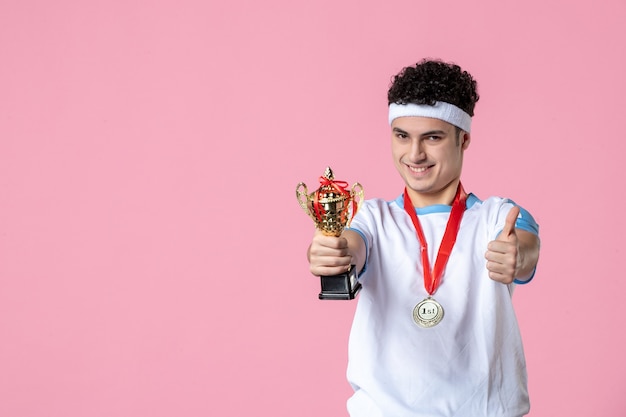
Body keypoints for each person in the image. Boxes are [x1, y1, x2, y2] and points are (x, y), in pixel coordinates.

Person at [307, 59, 541, 417]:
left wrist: (517, 256)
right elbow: (352, 244)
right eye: (402, 136)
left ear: (463, 139)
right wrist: (333, 251)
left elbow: (525, 247)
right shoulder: (372, 218)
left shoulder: (497, 217)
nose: (414, 154)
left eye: (432, 137)